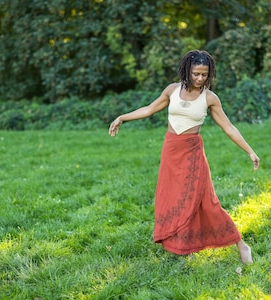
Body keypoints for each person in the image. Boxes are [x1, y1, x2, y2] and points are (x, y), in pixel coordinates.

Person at [109, 50, 260, 264]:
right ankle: (182, 245)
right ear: (187, 71)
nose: (200, 79)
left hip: (192, 153)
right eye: (196, 74)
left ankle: (241, 245)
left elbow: (229, 127)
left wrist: (250, 151)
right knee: (172, 197)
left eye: (204, 75)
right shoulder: (172, 90)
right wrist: (122, 117)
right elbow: (150, 109)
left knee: (207, 202)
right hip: (171, 150)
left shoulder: (209, 98)